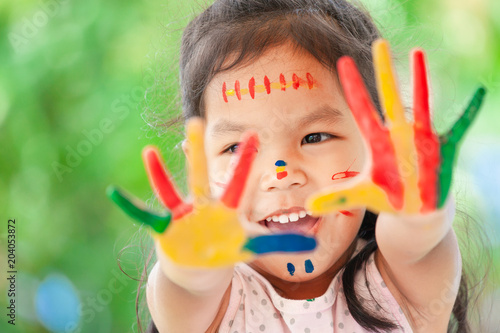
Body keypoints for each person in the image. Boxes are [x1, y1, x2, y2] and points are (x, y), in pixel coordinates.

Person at [108, 0, 487, 332]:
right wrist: (188, 261)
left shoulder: (402, 286)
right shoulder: (208, 306)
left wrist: (416, 208)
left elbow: (417, 239)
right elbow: (188, 285)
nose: (280, 173)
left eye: (316, 137)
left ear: (376, 144)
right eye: (237, 148)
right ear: (200, 168)